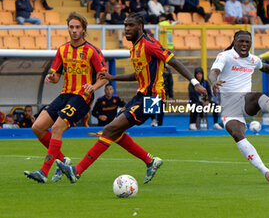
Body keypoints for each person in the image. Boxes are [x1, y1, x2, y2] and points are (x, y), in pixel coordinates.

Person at [56, 12, 208, 184]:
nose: (127, 29)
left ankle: (77, 170)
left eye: (131, 26)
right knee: (115, 130)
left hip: (154, 99)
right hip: (141, 96)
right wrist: (113, 78)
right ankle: (150, 161)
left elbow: (174, 61)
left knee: (109, 129)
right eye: (125, 26)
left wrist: (195, 82)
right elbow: (138, 74)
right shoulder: (135, 47)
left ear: (140, 27)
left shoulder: (150, 44)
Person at [24, 12, 108, 183]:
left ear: (84, 29)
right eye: (71, 27)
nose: (74, 30)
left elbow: (104, 76)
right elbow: (56, 76)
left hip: (82, 97)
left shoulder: (92, 51)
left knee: (56, 128)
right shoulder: (62, 50)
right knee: (37, 127)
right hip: (65, 94)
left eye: (78, 27)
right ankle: (63, 161)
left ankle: (44, 172)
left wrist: (93, 87)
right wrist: (50, 78)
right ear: (68, 28)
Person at [208, 30, 269, 184]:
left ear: (250, 43)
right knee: (237, 134)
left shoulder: (253, 59)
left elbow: (264, 67)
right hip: (229, 108)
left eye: (247, 42)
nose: (244, 44)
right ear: (235, 41)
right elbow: (213, 72)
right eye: (241, 41)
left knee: (254, 95)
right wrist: (213, 81)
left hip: (246, 103)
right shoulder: (225, 56)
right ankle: (266, 172)